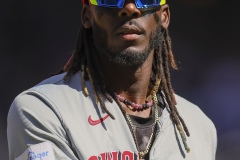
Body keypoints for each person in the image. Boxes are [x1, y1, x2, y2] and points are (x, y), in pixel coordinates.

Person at [7, 0, 217, 159]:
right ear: (88, 15)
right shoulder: (43, 109)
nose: (130, 8)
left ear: (164, 16)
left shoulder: (198, 126)